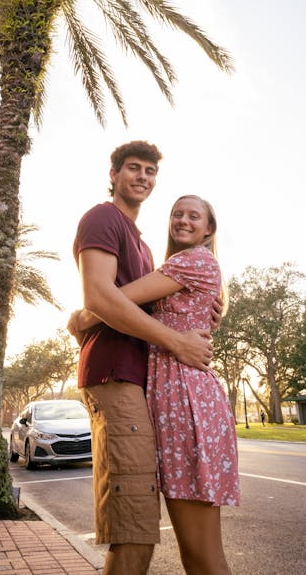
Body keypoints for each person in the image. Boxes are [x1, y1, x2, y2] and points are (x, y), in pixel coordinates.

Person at [73, 192, 239, 575]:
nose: (182, 219)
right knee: (197, 553)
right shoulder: (175, 267)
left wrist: (81, 316)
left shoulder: (193, 261)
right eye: (176, 213)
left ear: (209, 228)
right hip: (175, 400)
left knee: (201, 554)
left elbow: (113, 300)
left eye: (193, 215)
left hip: (186, 402)